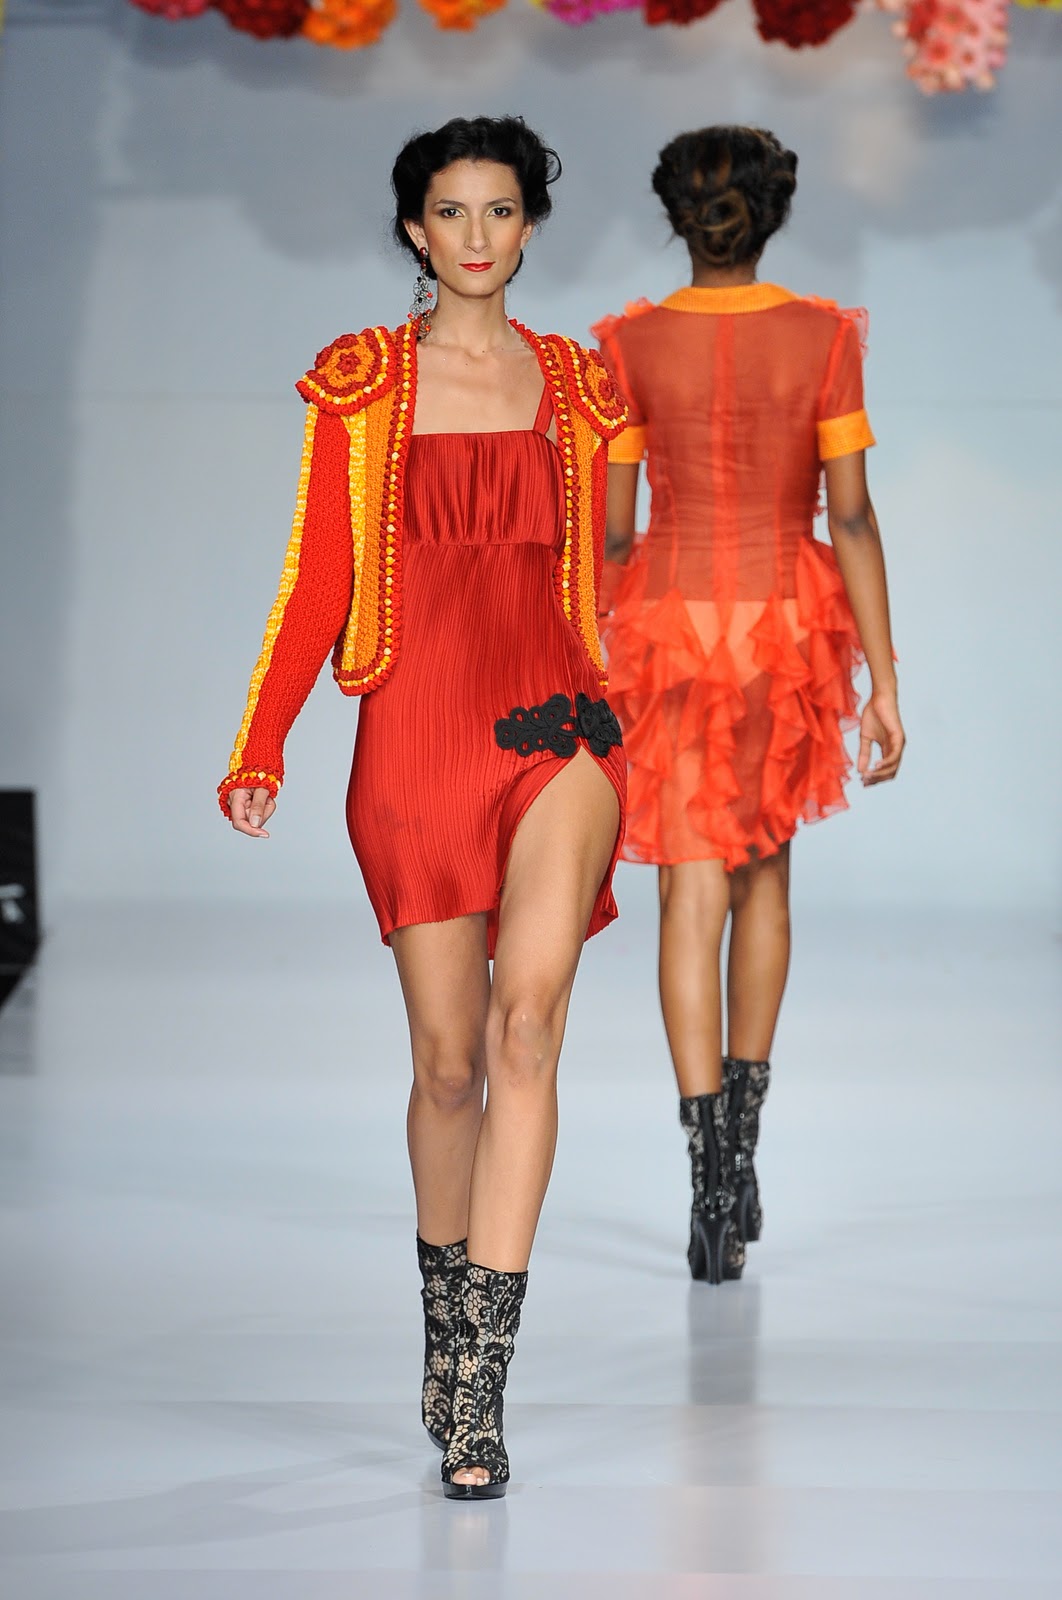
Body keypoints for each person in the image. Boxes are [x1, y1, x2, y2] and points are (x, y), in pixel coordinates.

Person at [218, 116, 628, 1497]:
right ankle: (444, 1322)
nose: (474, 236)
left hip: (560, 731)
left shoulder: (581, 385)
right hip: (414, 738)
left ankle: (484, 1390)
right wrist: (261, 743)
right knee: (449, 1065)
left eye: (498, 210)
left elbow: (614, 573)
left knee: (529, 1028)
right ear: (413, 229)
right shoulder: (366, 384)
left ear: (529, 226)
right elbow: (318, 578)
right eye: (449, 212)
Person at [594, 125, 904, 1285]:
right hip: (783, 623)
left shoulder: (627, 345)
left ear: (677, 213)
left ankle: (706, 1171)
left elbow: (613, 532)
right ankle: (743, 1153)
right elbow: (852, 514)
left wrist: (596, 653)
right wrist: (884, 679)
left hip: (667, 619)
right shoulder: (824, 337)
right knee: (763, 875)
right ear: (771, 211)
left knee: (688, 890)